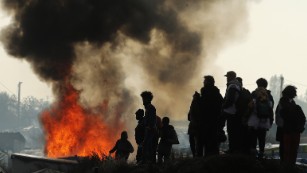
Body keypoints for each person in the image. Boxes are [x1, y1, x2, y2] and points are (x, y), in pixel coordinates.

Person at [276, 85, 306, 165]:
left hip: (285, 129)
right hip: (287, 130)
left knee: (285, 149)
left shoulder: (283, 103)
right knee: (290, 149)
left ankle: (285, 164)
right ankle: (288, 165)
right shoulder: (292, 104)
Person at [198, 75, 223, 157]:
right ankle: (213, 157)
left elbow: (201, 108)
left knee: (205, 141)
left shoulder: (204, 94)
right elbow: (221, 107)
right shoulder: (217, 94)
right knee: (213, 141)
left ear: (208, 82)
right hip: (215, 122)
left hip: (205, 122)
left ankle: (207, 158)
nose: (203, 83)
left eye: (204, 81)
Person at [247, 87, 273, 159]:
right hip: (264, 123)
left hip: (253, 123)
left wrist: (246, 119)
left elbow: (248, 111)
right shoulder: (269, 102)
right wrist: (270, 122)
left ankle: (253, 155)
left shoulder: (253, 101)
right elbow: (271, 113)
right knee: (262, 139)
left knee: (253, 139)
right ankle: (261, 154)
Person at [220, 71, 242, 154]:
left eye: (227, 77)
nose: (226, 78)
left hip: (231, 111)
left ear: (231, 77)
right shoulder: (237, 85)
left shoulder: (232, 86)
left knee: (231, 131)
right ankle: (234, 149)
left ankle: (232, 149)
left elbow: (230, 100)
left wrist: (223, 106)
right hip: (234, 111)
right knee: (233, 131)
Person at [236, 77, 253, 155]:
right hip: (246, 118)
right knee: (245, 136)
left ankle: (239, 152)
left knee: (238, 135)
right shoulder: (247, 92)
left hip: (238, 117)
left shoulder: (236, 92)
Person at [140, 91, 157, 163]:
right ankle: (147, 162)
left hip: (151, 131)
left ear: (148, 99)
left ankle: (146, 163)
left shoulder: (151, 108)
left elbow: (152, 121)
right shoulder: (148, 108)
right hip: (149, 131)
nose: (143, 101)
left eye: (144, 99)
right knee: (147, 146)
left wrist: (149, 127)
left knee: (147, 146)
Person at [187, 91, 201, 158]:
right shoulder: (200, 103)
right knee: (197, 141)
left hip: (194, 125)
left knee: (193, 141)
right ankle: (197, 155)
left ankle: (195, 155)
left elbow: (189, 116)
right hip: (198, 125)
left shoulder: (193, 104)